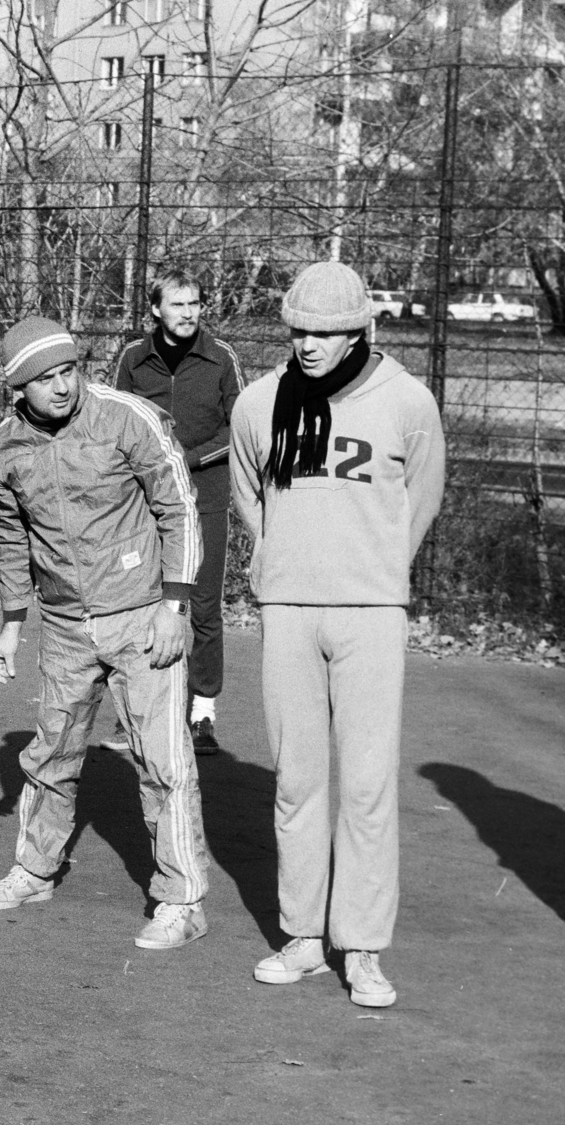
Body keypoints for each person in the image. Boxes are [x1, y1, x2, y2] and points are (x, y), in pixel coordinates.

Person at [230, 261, 444, 1009]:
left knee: (367, 785)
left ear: (361, 331)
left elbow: (422, 496)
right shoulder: (260, 403)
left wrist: (380, 571)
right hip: (288, 610)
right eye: (298, 331)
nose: (309, 345)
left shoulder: (407, 402)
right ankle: (302, 938)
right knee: (296, 780)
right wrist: (281, 563)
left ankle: (363, 948)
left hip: (371, 615)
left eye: (325, 333)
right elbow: (249, 498)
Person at [0, 315, 211, 950]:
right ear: (18, 387)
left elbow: (178, 505)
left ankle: (182, 898)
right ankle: (35, 868)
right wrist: (10, 626)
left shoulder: (127, 417)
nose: (61, 387)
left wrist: (174, 605)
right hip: (63, 625)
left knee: (162, 760)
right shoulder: (4, 444)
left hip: (141, 614)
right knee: (51, 753)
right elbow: (9, 537)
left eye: (68, 371)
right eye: (44, 379)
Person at [111, 270, 243, 755]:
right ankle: (136, 717)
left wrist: (186, 460)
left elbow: (239, 428)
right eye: (178, 304)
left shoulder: (220, 358)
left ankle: (202, 713)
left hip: (204, 496)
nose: (189, 312)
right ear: (155, 310)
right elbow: (115, 419)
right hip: (144, 502)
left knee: (201, 604)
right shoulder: (132, 358)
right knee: (141, 603)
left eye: (195, 303)